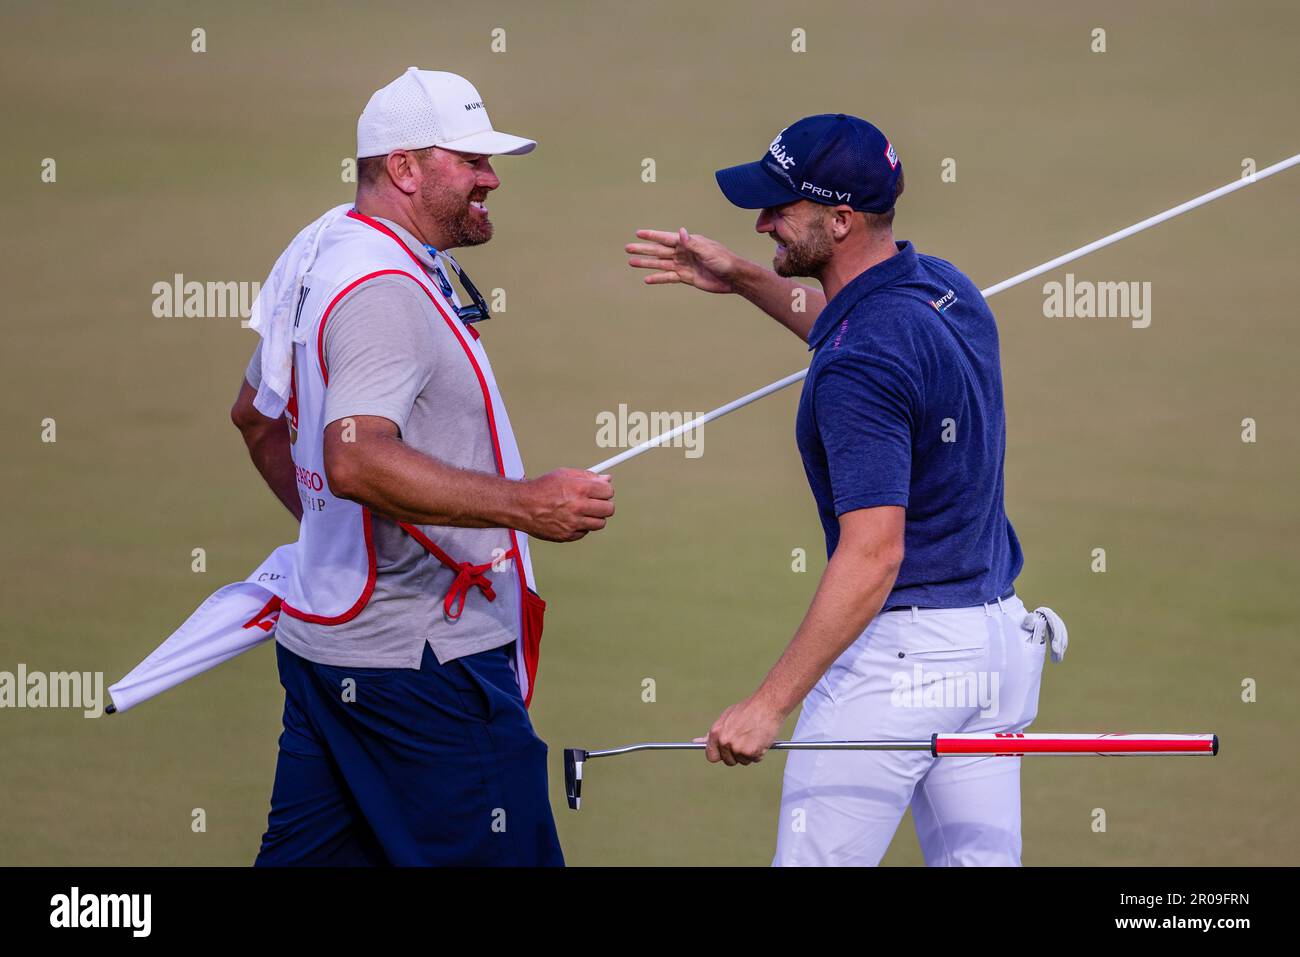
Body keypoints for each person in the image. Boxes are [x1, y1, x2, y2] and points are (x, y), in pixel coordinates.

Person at [626, 113, 1064, 866]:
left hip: (902, 664)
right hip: (995, 650)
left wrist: (769, 704)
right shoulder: (942, 287)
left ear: (840, 218)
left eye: (781, 208)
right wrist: (743, 277)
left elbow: (872, 555)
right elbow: (855, 328)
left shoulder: (860, 366)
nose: (763, 221)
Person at [230, 68, 615, 866]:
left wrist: (341, 544)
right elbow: (355, 457)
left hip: (326, 651)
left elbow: (255, 417)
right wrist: (527, 505)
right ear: (403, 169)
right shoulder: (384, 288)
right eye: (470, 161)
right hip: (423, 668)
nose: (491, 178)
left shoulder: (320, 247)